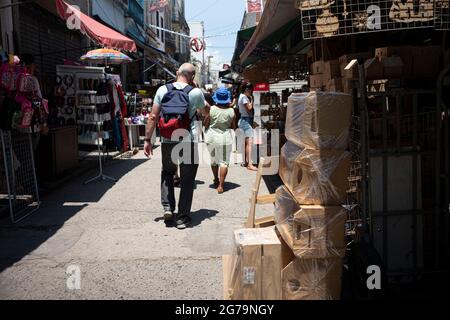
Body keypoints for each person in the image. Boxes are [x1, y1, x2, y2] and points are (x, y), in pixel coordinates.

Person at [144, 63, 206, 230]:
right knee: (187, 179)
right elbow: (205, 113)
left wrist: (147, 140)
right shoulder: (195, 92)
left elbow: (152, 117)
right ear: (192, 77)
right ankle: (183, 217)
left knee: (167, 172)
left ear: (177, 72)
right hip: (188, 139)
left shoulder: (162, 90)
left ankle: (168, 208)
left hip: (167, 139)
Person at [205, 88, 236, 194]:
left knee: (213, 160)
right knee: (224, 162)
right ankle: (221, 186)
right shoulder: (231, 111)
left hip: (211, 138)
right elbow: (233, 126)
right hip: (225, 138)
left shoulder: (212, 109)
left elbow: (206, 123)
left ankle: (215, 179)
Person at [238, 82, 258, 171]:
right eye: (251, 90)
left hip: (245, 120)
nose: (251, 92)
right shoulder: (244, 97)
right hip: (245, 120)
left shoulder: (242, 96)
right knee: (249, 143)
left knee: (246, 143)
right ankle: (249, 164)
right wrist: (252, 100)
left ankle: (246, 162)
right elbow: (249, 109)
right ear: (247, 89)